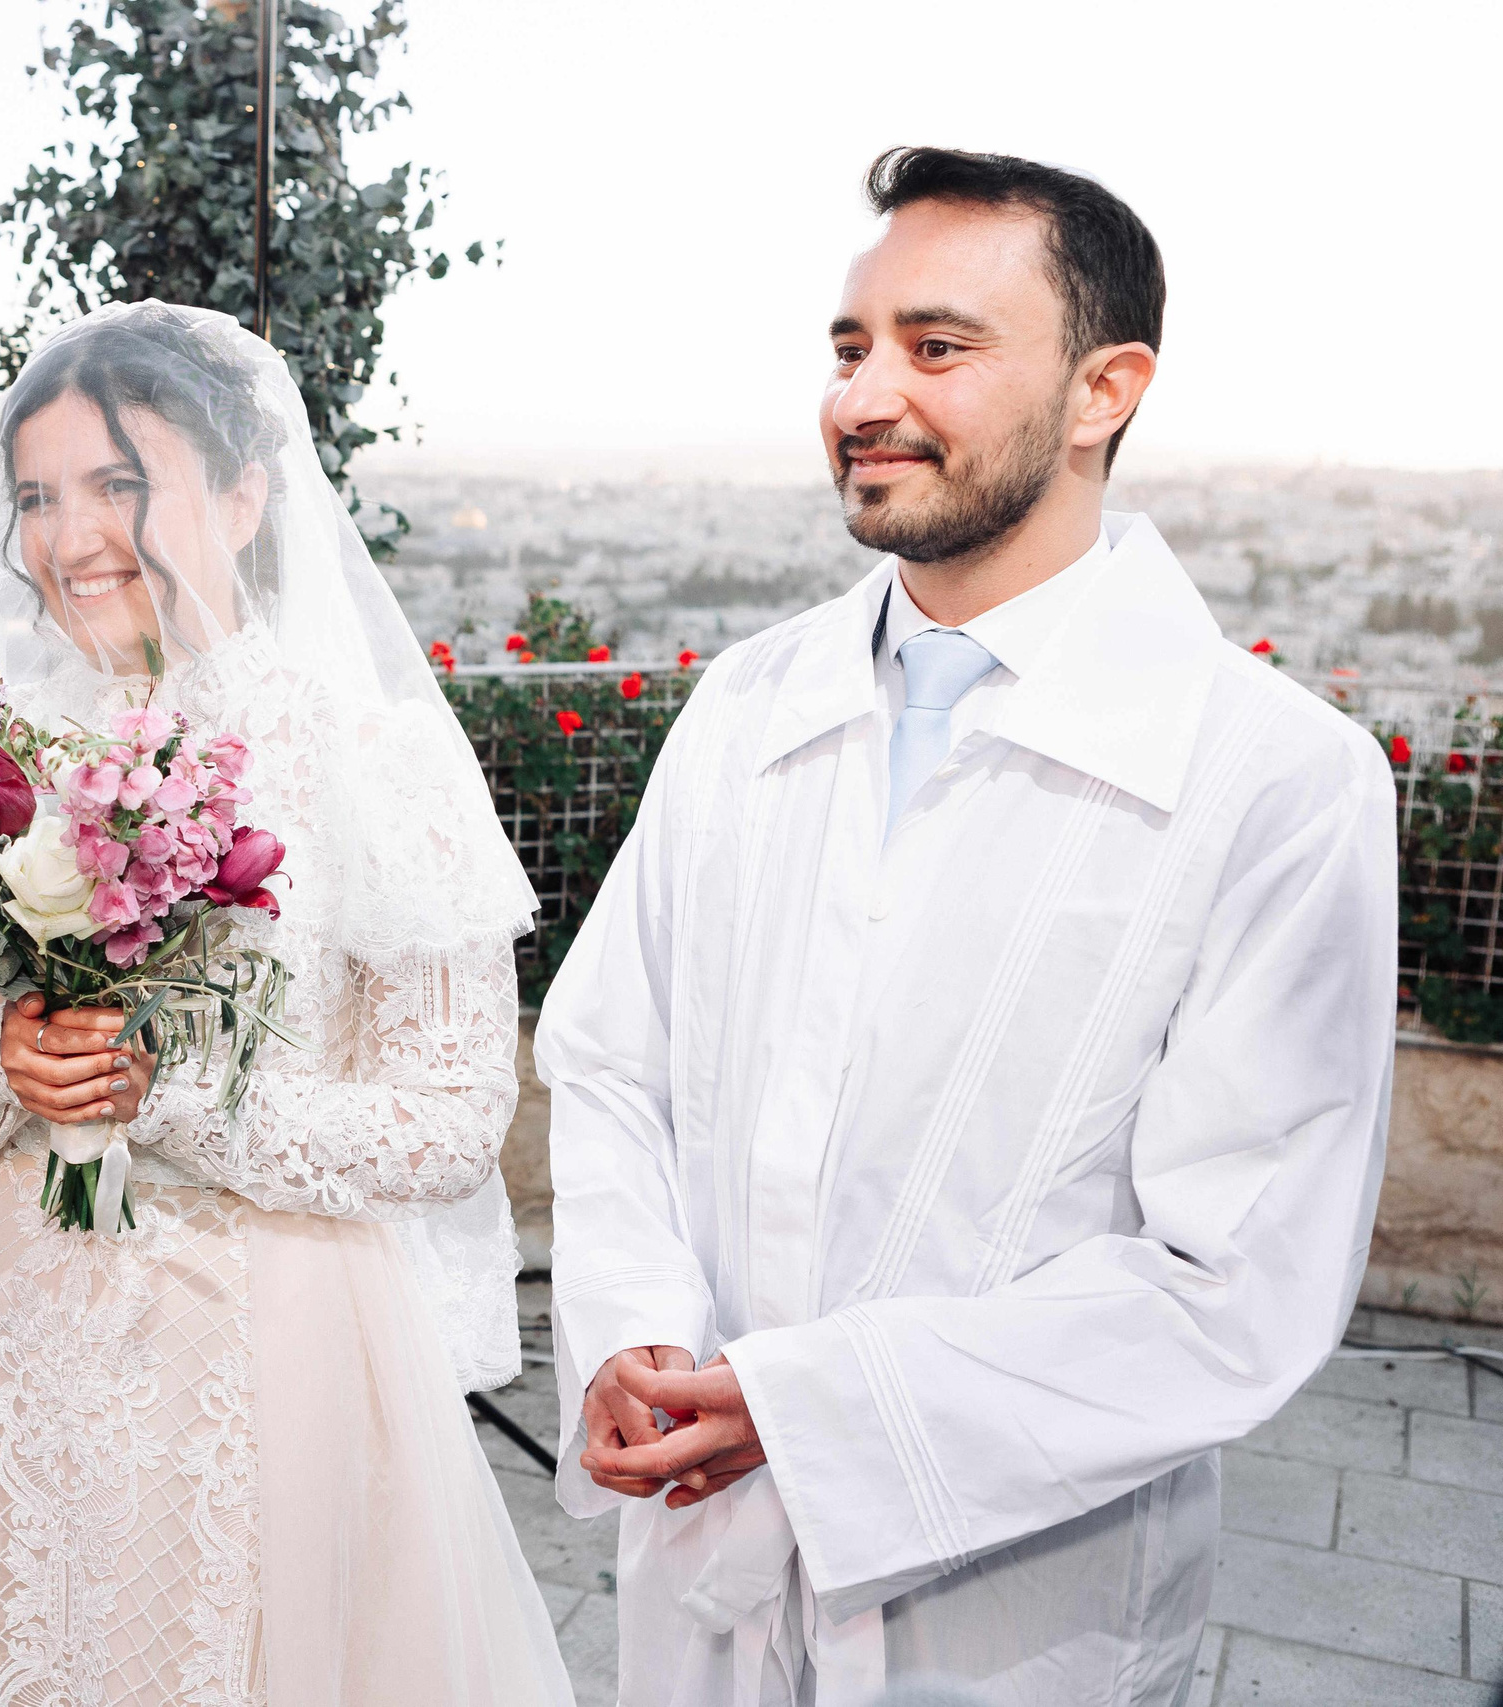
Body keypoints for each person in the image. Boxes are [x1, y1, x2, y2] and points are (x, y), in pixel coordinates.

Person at [540, 147, 1396, 1705]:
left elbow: (1232, 1281)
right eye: (849, 346)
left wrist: (806, 1407)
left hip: (1022, 1621)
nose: (866, 395)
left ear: (1102, 392)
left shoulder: (1282, 780)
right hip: (702, 1567)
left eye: (936, 348)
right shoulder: (745, 707)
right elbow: (611, 1065)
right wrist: (629, 1335)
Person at [0, 301, 575, 1706]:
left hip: (252, 1379)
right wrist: (7, 1063)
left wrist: (186, 1097)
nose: (67, 534)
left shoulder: (373, 757)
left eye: (117, 484)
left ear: (244, 493)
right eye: (36, 495)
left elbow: (452, 1123)